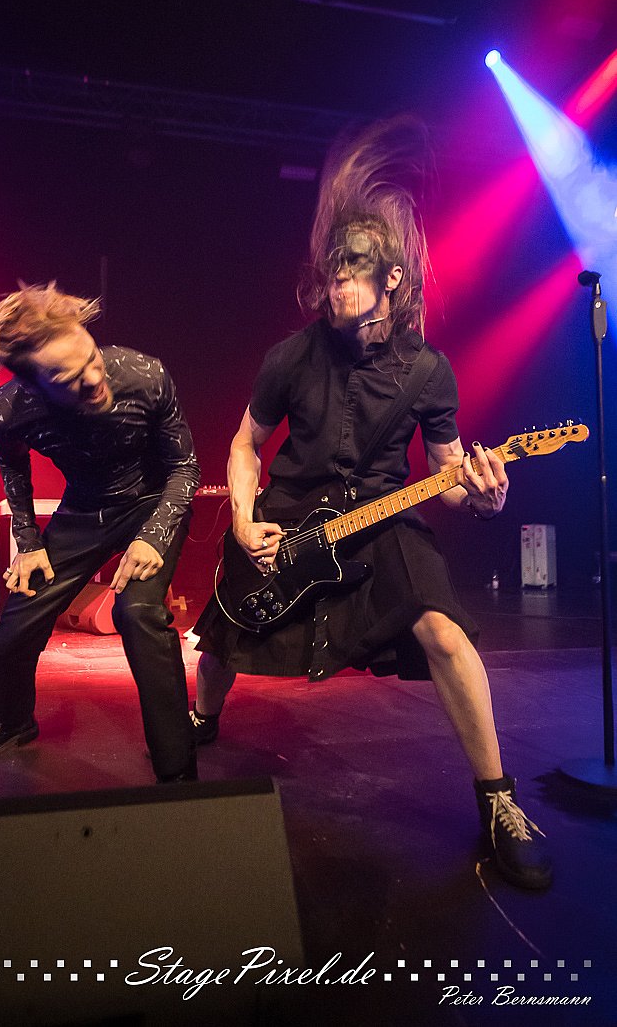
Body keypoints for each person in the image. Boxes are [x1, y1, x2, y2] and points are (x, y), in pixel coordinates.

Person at [191, 117, 552, 890]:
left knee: (445, 632)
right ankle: (202, 718)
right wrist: (247, 519)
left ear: (390, 279)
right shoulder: (289, 356)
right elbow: (245, 445)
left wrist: (485, 496)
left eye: (352, 273)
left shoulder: (428, 371)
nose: (336, 286)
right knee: (226, 626)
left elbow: (450, 475)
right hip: (291, 509)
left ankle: (498, 801)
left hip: (384, 511)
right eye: (331, 273)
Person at [0, 283, 200, 782]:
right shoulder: (11, 409)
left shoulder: (143, 374)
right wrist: (28, 544)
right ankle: (15, 721)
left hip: (151, 503)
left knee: (138, 614)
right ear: (34, 384)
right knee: (11, 631)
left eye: (91, 358)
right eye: (70, 377)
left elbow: (185, 466)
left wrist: (154, 536)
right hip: (84, 511)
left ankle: (177, 765)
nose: (94, 378)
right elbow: (14, 466)